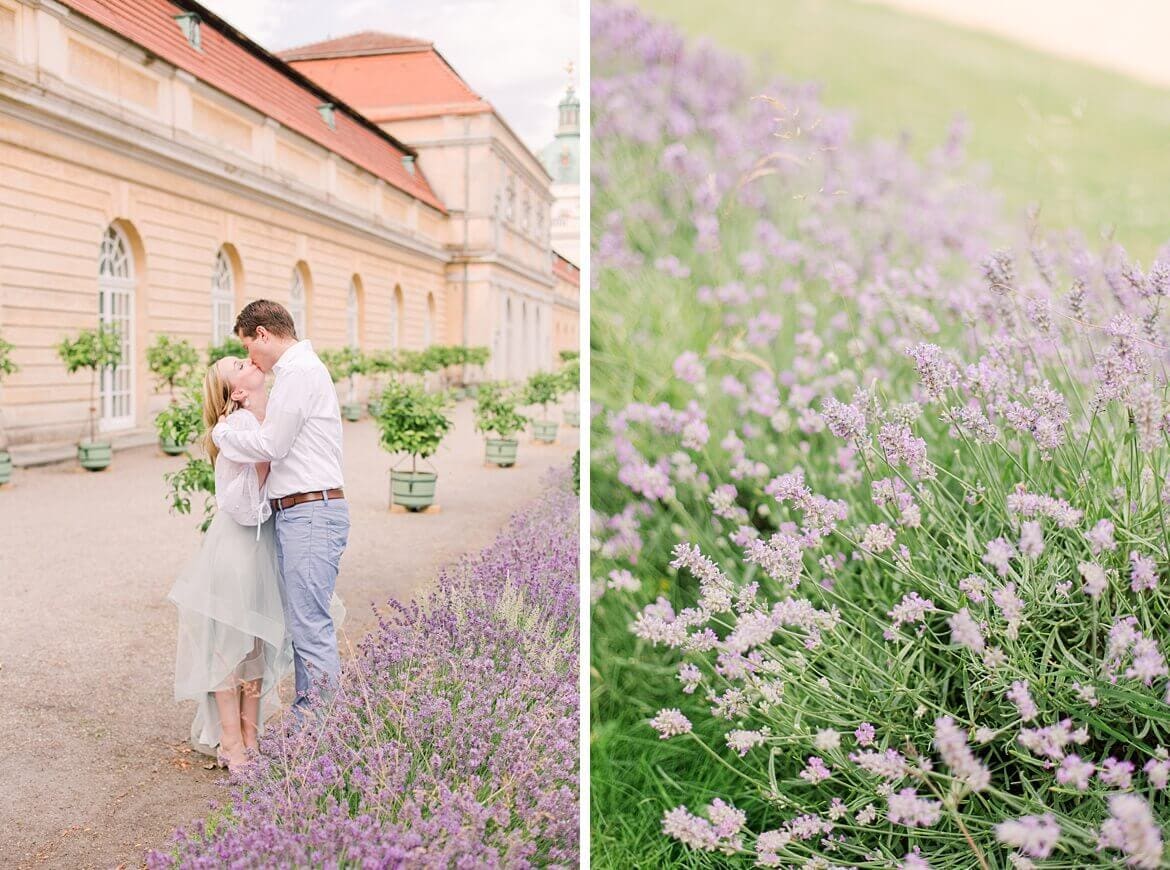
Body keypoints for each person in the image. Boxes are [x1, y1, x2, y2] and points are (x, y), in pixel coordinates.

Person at [212, 299, 349, 723]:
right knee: (304, 626)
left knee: (310, 626)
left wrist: (221, 433)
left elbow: (273, 445)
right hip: (301, 512)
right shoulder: (297, 372)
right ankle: (313, 727)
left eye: (248, 348)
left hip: (311, 512)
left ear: (263, 335)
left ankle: (318, 731)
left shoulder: (299, 373)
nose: (250, 359)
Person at [167, 355, 292, 771]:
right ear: (235, 392)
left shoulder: (267, 416)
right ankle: (231, 743)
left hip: (260, 549)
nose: (248, 360)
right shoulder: (235, 428)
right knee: (228, 649)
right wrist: (263, 464)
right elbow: (241, 506)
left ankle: (251, 738)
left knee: (255, 643)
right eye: (237, 365)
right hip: (237, 548)